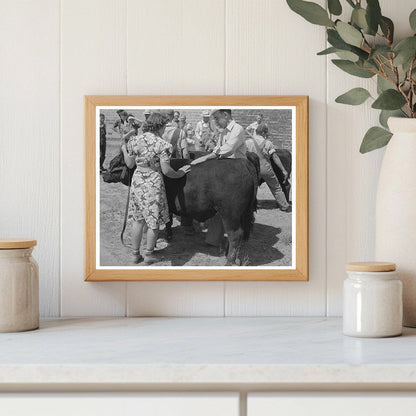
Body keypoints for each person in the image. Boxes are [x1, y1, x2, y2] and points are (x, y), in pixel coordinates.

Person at [121, 112, 190, 265]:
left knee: (138, 220)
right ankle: (148, 255)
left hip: (138, 180)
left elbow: (130, 164)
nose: (165, 129)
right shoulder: (163, 144)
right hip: (153, 182)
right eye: (164, 126)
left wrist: (125, 150)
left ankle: (134, 255)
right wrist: (180, 173)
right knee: (153, 222)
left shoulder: (134, 140)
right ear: (159, 126)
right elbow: (166, 171)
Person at [191, 109, 247, 247]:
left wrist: (206, 158)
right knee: (218, 204)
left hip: (237, 172)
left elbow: (228, 149)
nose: (214, 121)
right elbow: (218, 147)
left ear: (226, 115)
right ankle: (214, 239)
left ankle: (237, 240)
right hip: (225, 172)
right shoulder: (224, 130)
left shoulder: (238, 129)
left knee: (235, 208)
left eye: (216, 118)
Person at [245, 123, 291, 212]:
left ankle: (251, 206)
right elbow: (275, 157)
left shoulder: (248, 142)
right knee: (276, 187)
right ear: (263, 133)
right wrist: (283, 170)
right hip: (265, 168)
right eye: (266, 133)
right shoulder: (268, 143)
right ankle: (284, 206)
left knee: (251, 188)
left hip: (253, 169)